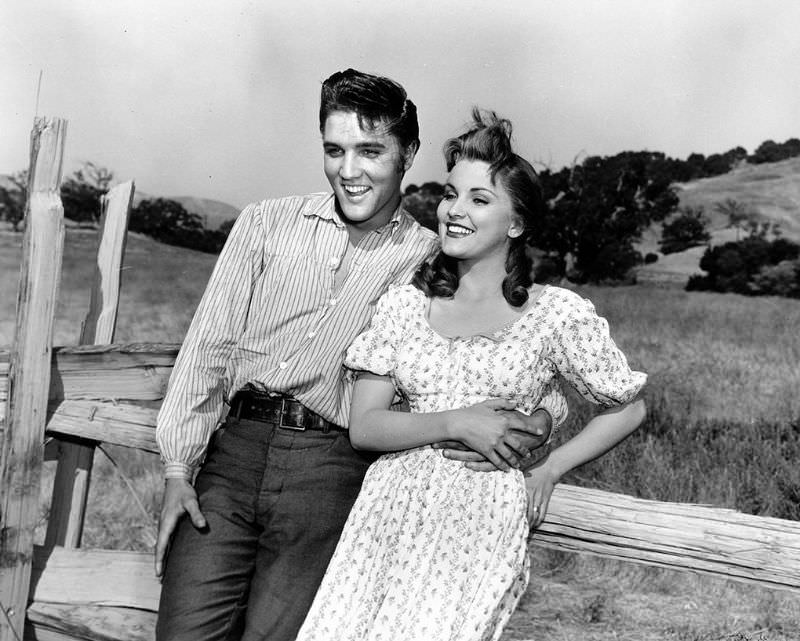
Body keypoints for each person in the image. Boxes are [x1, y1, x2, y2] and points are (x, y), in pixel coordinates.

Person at [153, 70, 564, 641]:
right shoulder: (265, 224)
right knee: (185, 632)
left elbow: (504, 341)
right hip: (231, 457)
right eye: (334, 150)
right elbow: (207, 349)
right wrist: (178, 468)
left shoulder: (430, 257)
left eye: (370, 151)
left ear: (408, 154)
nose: (349, 171)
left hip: (330, 467)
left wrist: (541, 416)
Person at [295, 109, 648, 641]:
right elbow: (365, 427)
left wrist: (551, 468)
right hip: (386, 517)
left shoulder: (553, 315)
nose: (455, 211)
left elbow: (628, 405)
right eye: (450, 194)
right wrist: (460, 422)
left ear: (517, 223)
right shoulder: (404, 307)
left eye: (479, 200)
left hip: (477, 525)